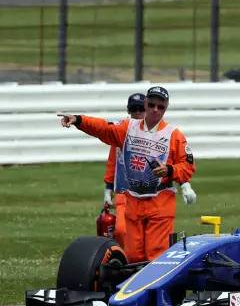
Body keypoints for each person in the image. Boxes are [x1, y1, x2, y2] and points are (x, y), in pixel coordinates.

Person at [58, 86, 197, 263]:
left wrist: (170, 170)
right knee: (133, 256)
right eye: (152, 105)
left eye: (160, 107)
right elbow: (103, 128)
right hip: (133, 199)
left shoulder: (174, 135)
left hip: (160, 200)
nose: (155, 110)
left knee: (155, 255)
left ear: (166, 107)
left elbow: (188, 166)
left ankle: (154, 290)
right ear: (146, 104)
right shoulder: (127, 127)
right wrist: (79, 120)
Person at [103, 93, 146, 248]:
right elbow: (112, 161)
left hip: (149, 195)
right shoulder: (120, 130)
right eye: (134, 108)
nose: (137, 112)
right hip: (124, 192)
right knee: (120, 230)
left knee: (143, 234)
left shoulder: (159, 132)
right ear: (128, 111)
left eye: (141, 108)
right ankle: (122, 259)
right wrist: (108, 188)